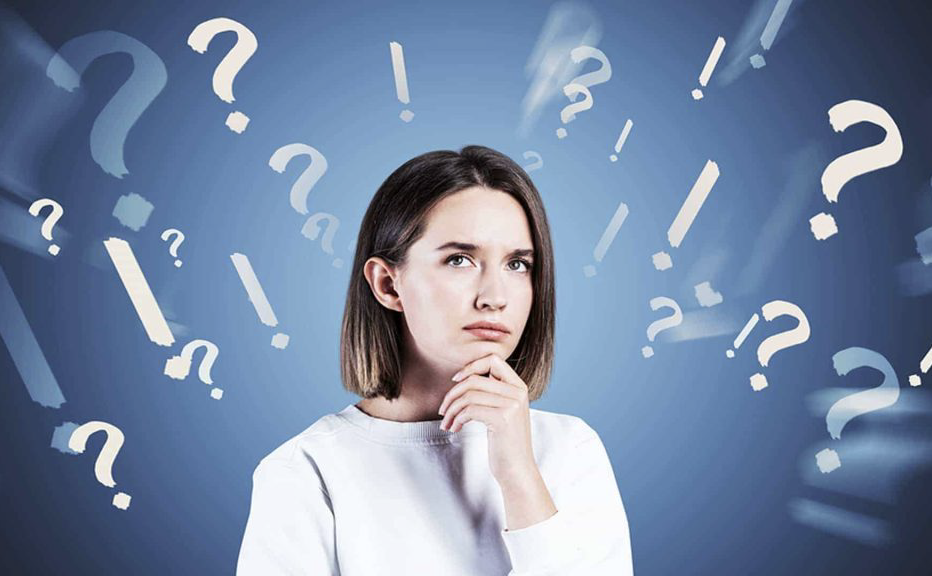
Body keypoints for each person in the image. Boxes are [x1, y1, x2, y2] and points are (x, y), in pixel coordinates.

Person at [236, 145, 634, 575]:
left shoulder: (571, 449)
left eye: (518, 264)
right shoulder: (307, 472)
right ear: (388, 284)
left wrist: (519, 474)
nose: (495, 298)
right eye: (459, 260)